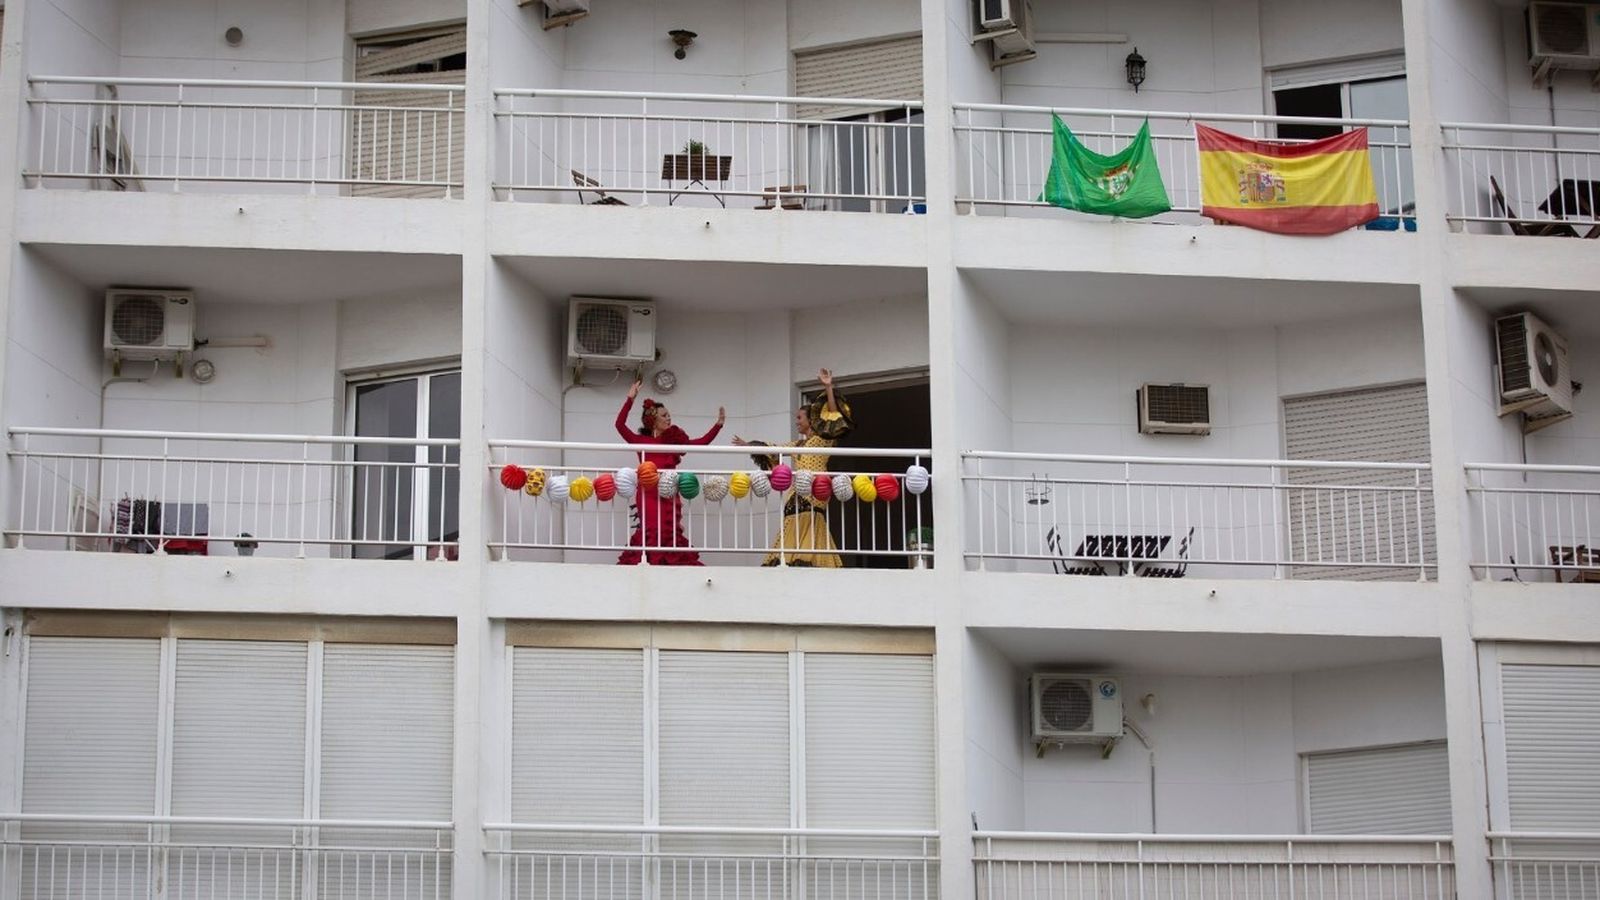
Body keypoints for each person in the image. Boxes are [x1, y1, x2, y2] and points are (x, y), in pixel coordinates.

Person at [734, 368, 853, 568]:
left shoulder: (822, 440)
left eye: (799, 418)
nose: (797, 422)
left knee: (810, 520)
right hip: (796, 493)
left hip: (815, 490)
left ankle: (806, 559)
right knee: (792, 519)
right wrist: (749, 445)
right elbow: (774, 448)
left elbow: (834, 417)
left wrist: (828, 387)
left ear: (811, 420)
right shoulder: (797, 445)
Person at [615, 381, 725, 565]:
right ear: (652, 420)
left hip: (669, 493)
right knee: (651, 528)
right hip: (648, 494)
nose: (669, 419)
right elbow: (619, 425)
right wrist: (630, 399)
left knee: (670, 528)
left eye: (669, 415)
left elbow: (701, 443)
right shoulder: (640, 440)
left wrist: (718, 425)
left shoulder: (673, 441)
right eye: (664, 416)